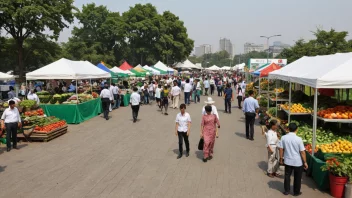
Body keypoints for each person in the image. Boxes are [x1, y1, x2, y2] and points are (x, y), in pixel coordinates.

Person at [279, 123, 308, 196]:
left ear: (288, 129)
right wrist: (305, 162)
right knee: (297, 177)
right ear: (297, 129)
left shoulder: (283, 138)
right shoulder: (299, 139)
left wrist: (281, 158)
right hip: (297, 161)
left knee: (287, 176)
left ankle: (287, 190)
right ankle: (296, 192)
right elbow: (302, 152)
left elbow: (281, 149)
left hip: (288, 160)